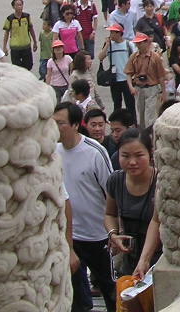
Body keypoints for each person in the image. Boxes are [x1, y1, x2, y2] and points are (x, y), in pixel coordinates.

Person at [54, 101, 116, 312]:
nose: (55, 128)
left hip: (98, 235)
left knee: (110, 289)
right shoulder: (53, 152)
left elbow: (111, 192)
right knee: (76, 296)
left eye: (60, 123)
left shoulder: (94, 152)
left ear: (74, 125)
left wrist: (115, 231)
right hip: (70, 236)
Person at [104, 129, 159, 277]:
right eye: (125, 156)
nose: (132, 162)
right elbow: (110, 214)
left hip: (158, 259)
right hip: (129, 258)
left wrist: (144, 260)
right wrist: (113, 235)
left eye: (139, 155)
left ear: (150, 153)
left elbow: (157, 221)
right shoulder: (115, 180)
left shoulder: (161, 182)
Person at [123, 33, 168, 129]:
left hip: (152, 88)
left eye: (140, 43)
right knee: (141, 115)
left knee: (150, 114)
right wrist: (131, 86)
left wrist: (164, 92)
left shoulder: (155, 57)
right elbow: (128, 73)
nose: (138, 45)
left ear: (146, 43)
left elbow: (161, 76)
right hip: (138, 88)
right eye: (137, 43)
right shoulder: (134, 56)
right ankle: (143, 135)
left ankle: (150, 134)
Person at [2, 0, 37, 71]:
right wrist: (4, 47)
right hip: (15, 47)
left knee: (29, 65)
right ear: (13, 7)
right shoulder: (10, 19)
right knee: (16, 68)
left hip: (26, 46)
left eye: (21, 5)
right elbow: (6, 33)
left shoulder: (27, 16)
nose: (20, 7)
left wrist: (35, 42)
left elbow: (31, 29)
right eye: (17, 5)